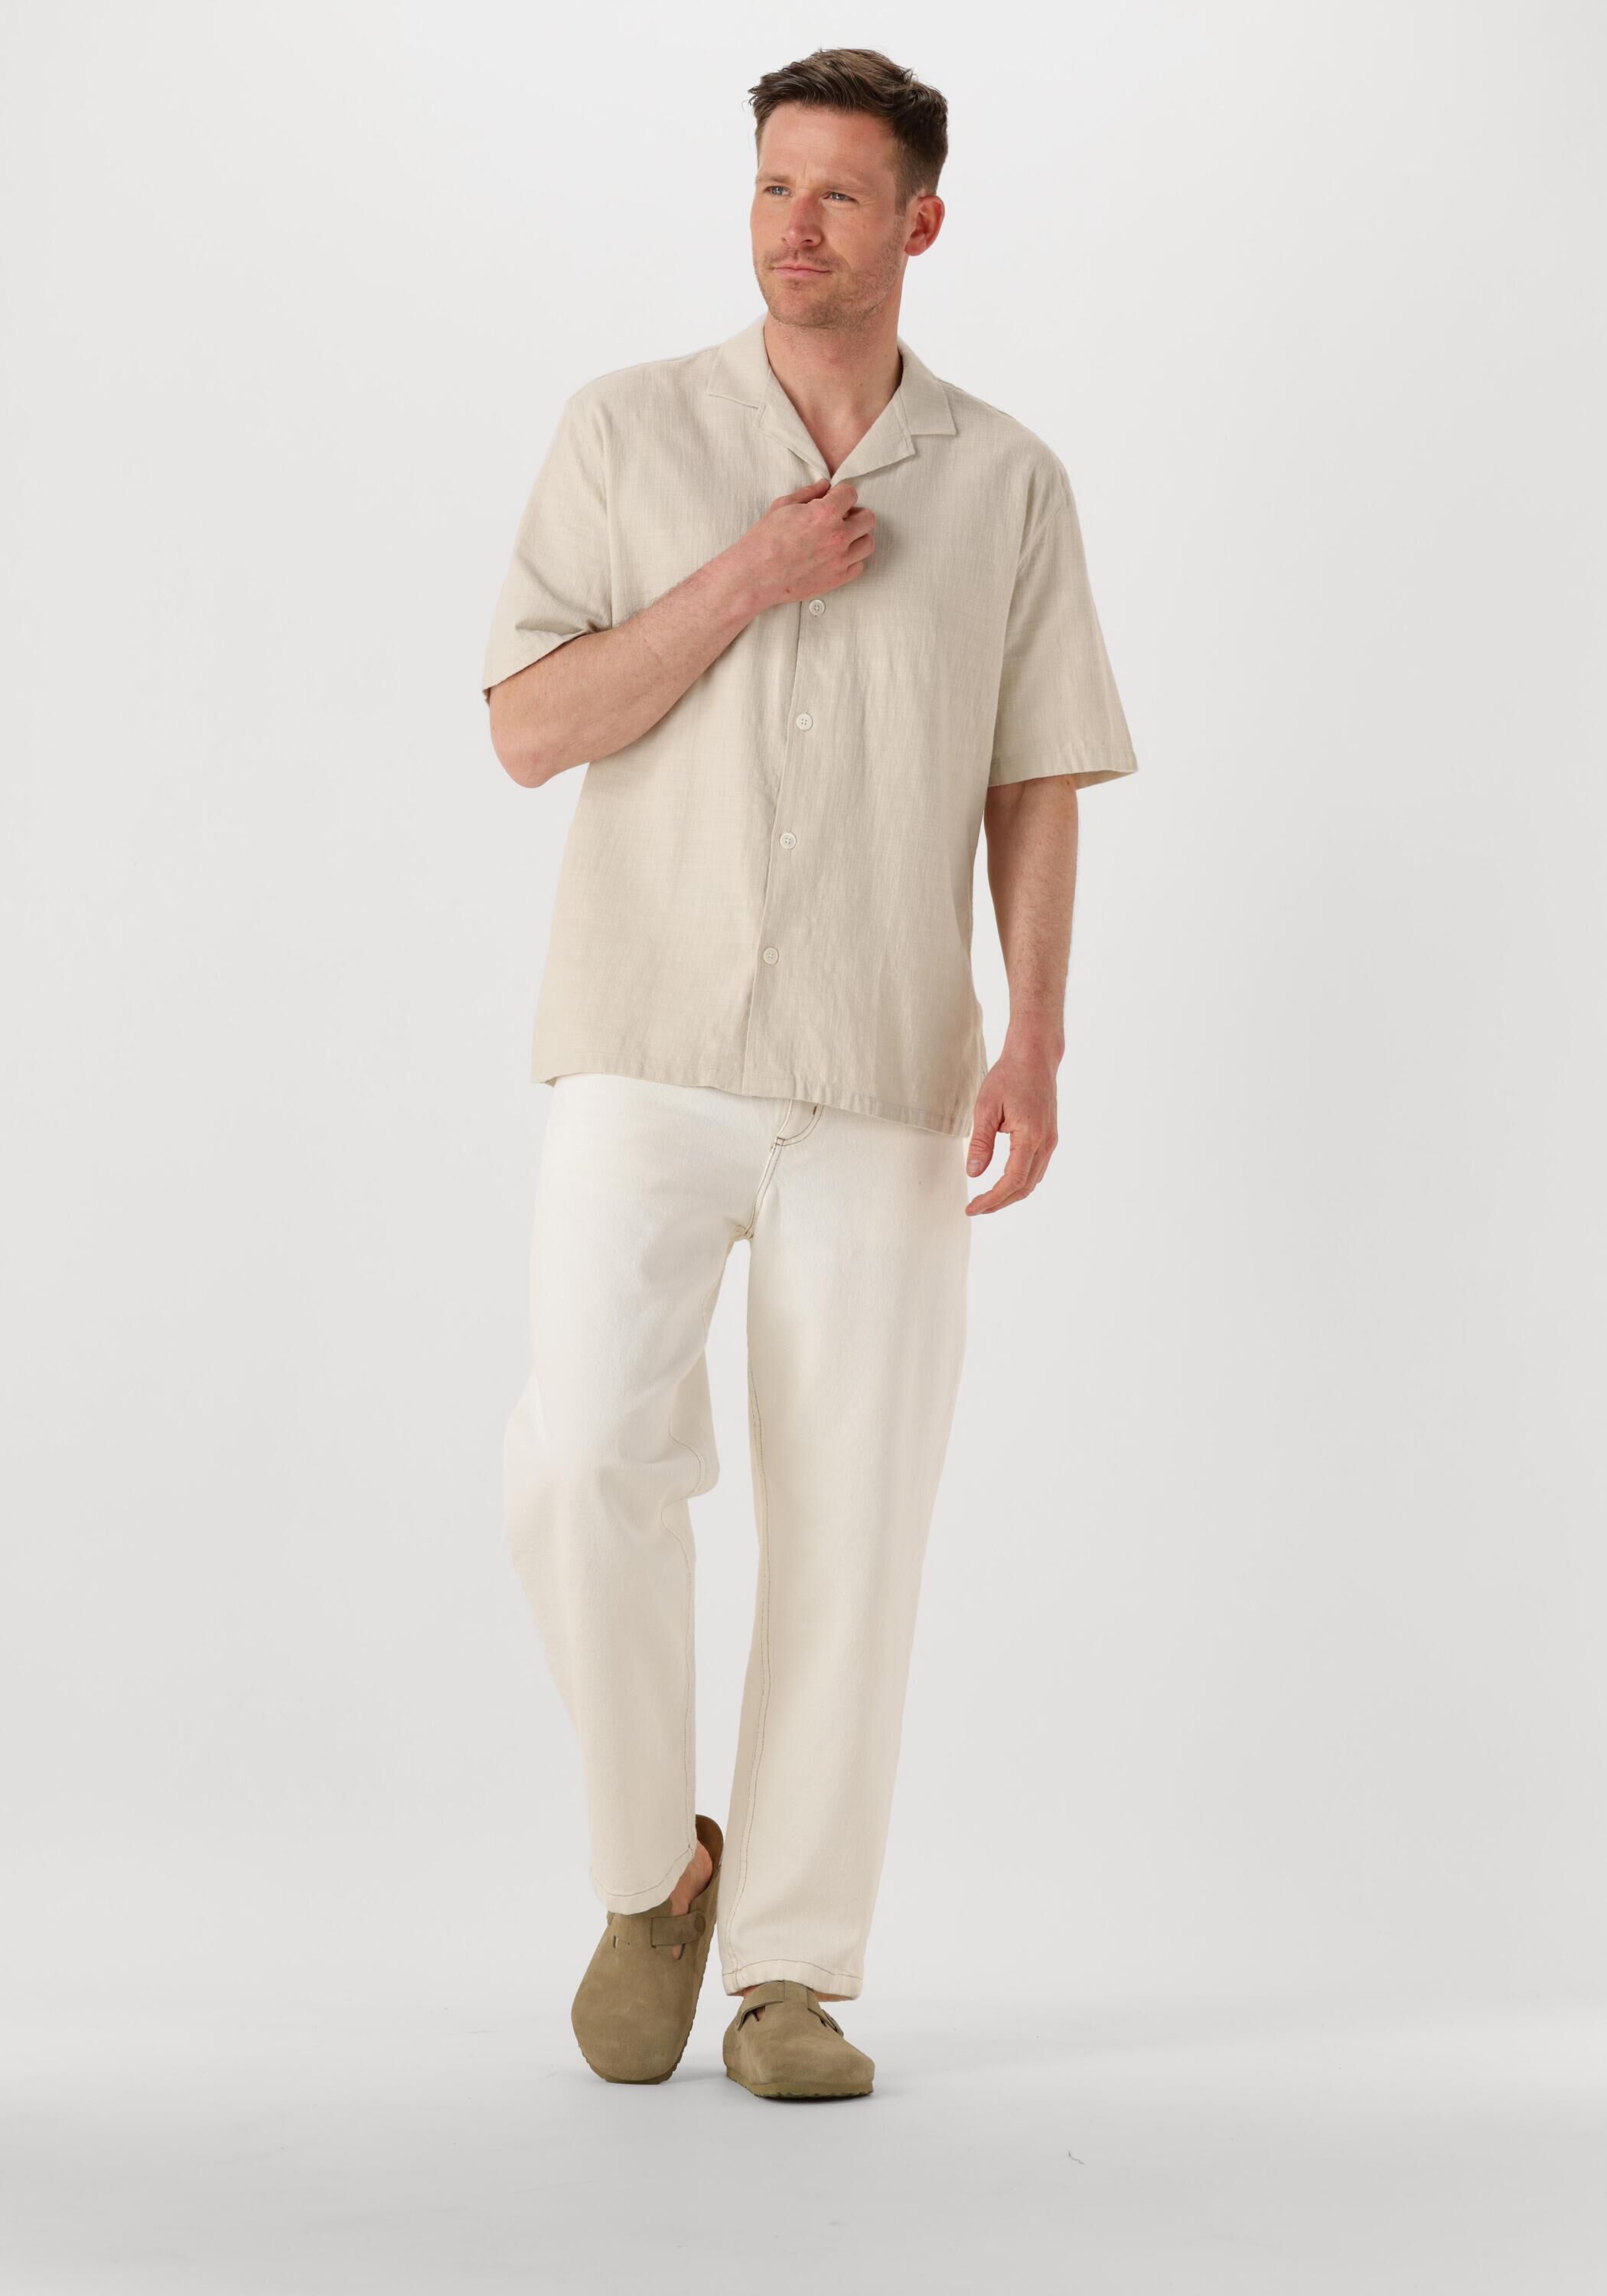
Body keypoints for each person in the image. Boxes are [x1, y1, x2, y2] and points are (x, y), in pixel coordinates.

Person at [480, 45, 1136, 2102]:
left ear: (918, 221)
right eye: (774, 185)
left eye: (841, 194)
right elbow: (528, 728)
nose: (796, 226)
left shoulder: (1007, 481)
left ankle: (788, 1974)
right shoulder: (627, 430)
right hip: (644, 1038)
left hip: (882, 1063)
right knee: (579, 1464)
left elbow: (1037, 773)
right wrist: (744, 579)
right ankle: (649, 1872)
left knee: (853, 1522)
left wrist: (1033, 1029)